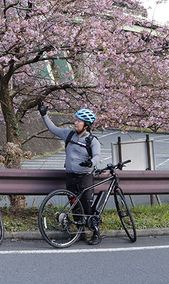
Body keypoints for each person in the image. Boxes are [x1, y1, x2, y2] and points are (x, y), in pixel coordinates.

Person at [39, 103, 103, 245]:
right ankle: (80, 233)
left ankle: (96, 234)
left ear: (86, 125)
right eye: (76, 120)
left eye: (79, 121)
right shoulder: (68, 134)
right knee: (74, 206)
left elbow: (97, 156)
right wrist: (44, 115)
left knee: (87, 207)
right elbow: (53, 129)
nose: (75, 123)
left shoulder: (92, 140)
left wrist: (91, 162)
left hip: (85, 178)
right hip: (70, 176)